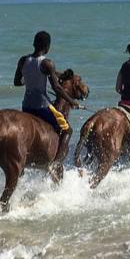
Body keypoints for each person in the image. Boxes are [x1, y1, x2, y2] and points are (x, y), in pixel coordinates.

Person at [14, 31, 78, 165]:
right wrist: (72, 102)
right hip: (42, 107)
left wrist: (30, 80)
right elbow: (57, 88)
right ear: (47, 47)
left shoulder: (23, 60)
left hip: (26, 106)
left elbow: (17, 82)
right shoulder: (47, 63)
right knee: (67, 130)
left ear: (34, 44)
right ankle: (56, 163)